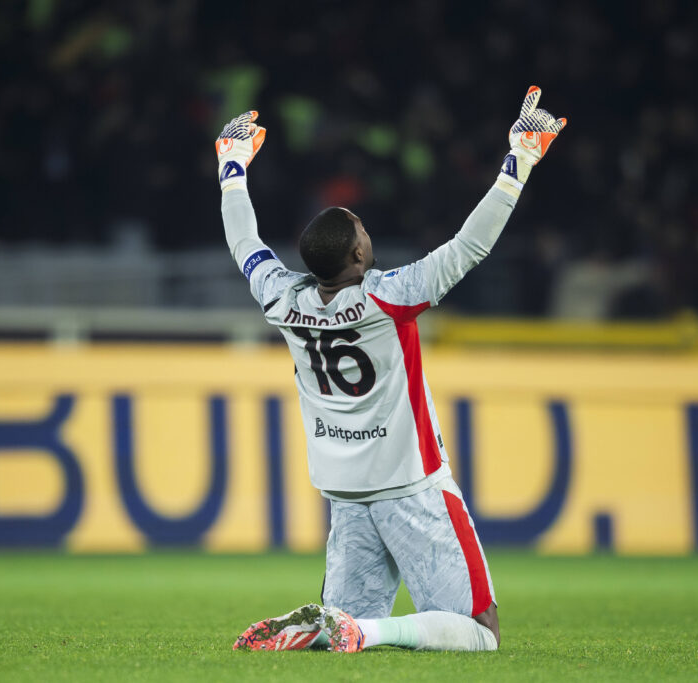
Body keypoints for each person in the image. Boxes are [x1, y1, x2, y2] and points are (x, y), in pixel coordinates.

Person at [220, 87, 566, 652]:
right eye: (360, 228)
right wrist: (519, 161)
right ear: (357, 256)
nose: (365, 228)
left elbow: (244, 243)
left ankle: (331, 626)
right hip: (411, 484)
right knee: (482, 635)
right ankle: (369, 631)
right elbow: (467, 248)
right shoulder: (390, 298)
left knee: (341, 630)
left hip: (345, 490)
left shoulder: (281, 299)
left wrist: (231, 166)